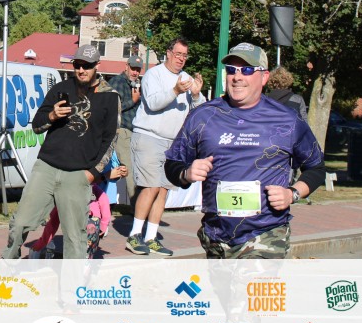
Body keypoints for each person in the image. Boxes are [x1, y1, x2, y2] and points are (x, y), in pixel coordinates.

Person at [164, 42, 326, 258]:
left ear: (264, 77)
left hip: (266, 233)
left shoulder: (287, 120)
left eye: (247, 70)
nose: (237, 77)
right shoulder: (203, 116)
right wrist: (186, 173)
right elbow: (172, 164)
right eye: (232, 70)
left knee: (253, 280)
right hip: (216, 236)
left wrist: (292, 194)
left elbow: (316, 168)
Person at [1, 44, 119, 260]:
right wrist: (52, 116)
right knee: (20, 223)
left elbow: (110, 139)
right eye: (77, 65)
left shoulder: (110, 97)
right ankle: (7, 264)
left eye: (87, 66)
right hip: (47, 167)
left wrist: (92, 173)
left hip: (78, 174)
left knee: (74, 236)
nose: (81, 70)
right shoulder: (60, 88)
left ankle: (72, 281)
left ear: (97, 65)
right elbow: (37, 125)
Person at [126, 37, 203, 257]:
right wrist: (175, 91)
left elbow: (200, 111)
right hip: (149, 137)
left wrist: (196, 95)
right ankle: (134, 235)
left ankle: (151, 237)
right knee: (150, 186)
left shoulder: (186, 78)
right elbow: (153, 103)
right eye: (178, 54)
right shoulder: (154, 74)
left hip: (172, 143)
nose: (181, 59)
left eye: (185, 56)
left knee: (163, 190)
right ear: (168, 53)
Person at [28, 159, 128, 259]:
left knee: (83, 245)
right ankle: (83, 261)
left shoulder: (88, 186)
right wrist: (103, 225)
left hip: (90, 218)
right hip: (88, 219)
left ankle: (83, 261)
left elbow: (103, 200)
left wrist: (104, 224)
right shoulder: (74, 187)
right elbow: (104, 200)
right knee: (82, 246)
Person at [107, 55, 142, 201]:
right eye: (133, 68)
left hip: (133, 132)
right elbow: (111, 107)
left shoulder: (135, 84)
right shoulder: (117, 82)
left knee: (135, 170)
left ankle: (139, 206)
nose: (135, 72)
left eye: (138, 70)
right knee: (129, 169)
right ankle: (137, 208)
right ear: (126, 66)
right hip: (121, 131)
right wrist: (133, 100)